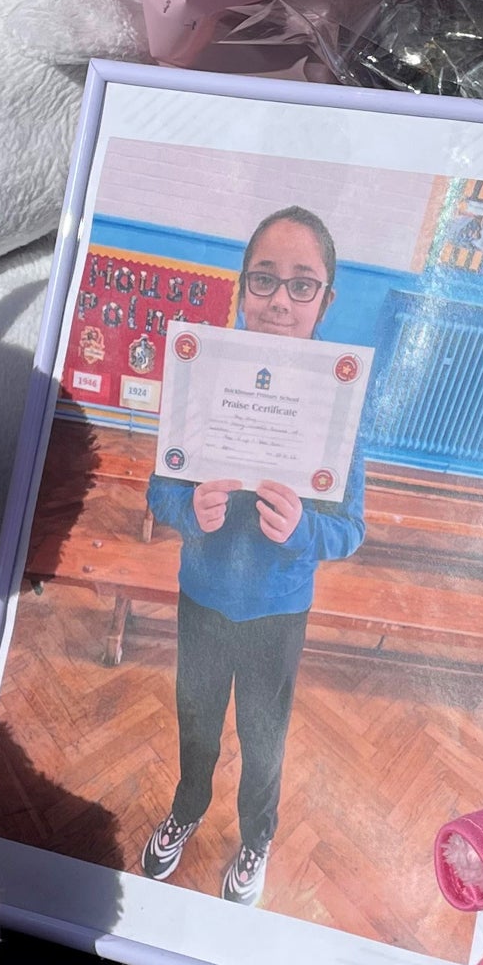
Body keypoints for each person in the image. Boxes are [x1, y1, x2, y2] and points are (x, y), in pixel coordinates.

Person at [139, 205, 366, 906]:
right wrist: (188, 510)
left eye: (302, 285)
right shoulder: (203, 373)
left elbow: (350, 528)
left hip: (277, 609)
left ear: (326, 299)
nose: (278, 300)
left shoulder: (341, 399)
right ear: (242, 286)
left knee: (263, 740)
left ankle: (257, 837)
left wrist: (303, 529)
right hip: (203, 597)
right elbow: (159, 488)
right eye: (264, 279)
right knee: (198, 720)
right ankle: (187, 807)